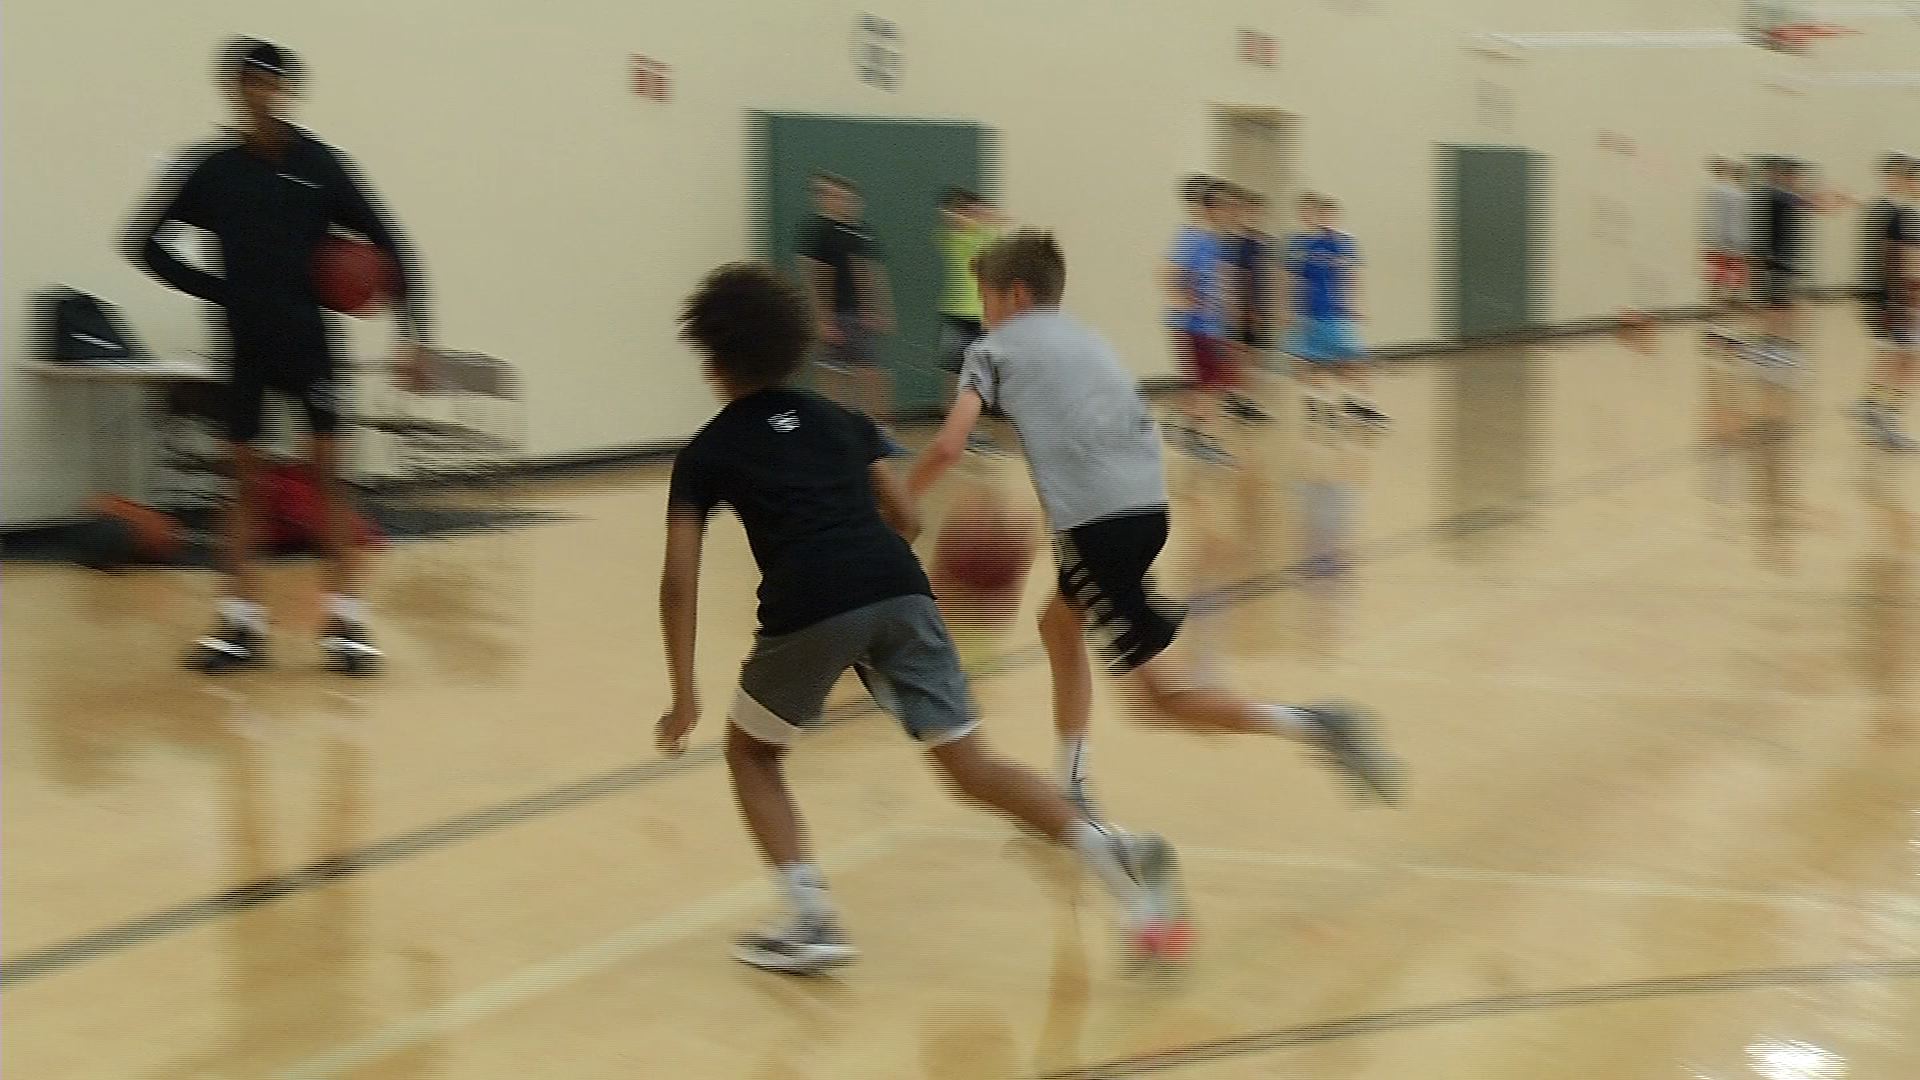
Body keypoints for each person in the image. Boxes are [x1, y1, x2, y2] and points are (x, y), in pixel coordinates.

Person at [655, 262, 1191, 975]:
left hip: (809, 603)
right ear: (796, 348)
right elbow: (906, 516)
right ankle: (1109, 851)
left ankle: (810, 919)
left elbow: (679, 578)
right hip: (899, 587)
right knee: (970, 763)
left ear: (713, 362)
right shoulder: (843, 421)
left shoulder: (707, 451)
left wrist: (683, 692)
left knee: (752, 753)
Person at [909, 230, 1402, 822]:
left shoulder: (991, 351)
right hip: (1147, 509)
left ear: (1015, 295)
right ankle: (1072, 779)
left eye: (986, 297)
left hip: (1095, 526)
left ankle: (1310, 723)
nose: (984, 312)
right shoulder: (1089, 340)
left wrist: (900, 504)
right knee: (1059, 624)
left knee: (1161, 696)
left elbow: (948, 446)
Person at [125, 38, 432, 675]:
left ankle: (345, 623)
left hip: (310, 345)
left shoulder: (321, 165)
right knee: (244, 486)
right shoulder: (213, 169)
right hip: (244, 346)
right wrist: (216, 290)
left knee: (327, 481)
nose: (263, 91)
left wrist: (417, 333)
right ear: (234, 88)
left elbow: (390, 243)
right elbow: (144, 244)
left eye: (274, 81)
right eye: (252, 80)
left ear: (287, 90)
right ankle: (241, 627)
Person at [799, 173, 896, 431]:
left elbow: (872, 273)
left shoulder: (863, 232)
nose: (835, 200)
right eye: (826, 194)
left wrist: (880, 309)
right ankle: (832, 432)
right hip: (836, 315)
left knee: (871, 372)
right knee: (831, 373)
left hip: (860, 315)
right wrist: (822, 319)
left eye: (841, 196)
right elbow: (813, 276)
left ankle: (878, 431)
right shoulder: (817, 231)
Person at [1285, 194, 1387, 432]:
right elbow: (1290, 279)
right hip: (1310, 313)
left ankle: (1360, 405)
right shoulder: (1299, 244)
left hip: (1338, 313)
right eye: (1308, 212)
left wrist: (1359, 304)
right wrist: (1289, 310)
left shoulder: (1342, 242)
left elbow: (1354, 275)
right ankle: (1320, 405)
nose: (1318, 218)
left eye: (1327, 214)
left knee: (1354, 361)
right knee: (1313, 362)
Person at [1163, 176, 1237, 463]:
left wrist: (1223, 310)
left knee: (1205, 384)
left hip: (1209, 325)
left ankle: (1182, 425)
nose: (1227, 212)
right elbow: (1168, 273)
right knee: (1208, 386)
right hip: (1195, 326)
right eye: (1221, 206)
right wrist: (1186, 303)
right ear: (1209, 208)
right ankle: (1202, 439)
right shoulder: (1193, 238)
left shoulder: (1210, 240)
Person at [1853, 153, 1919, 450]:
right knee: (1905, 363)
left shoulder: (1893, 212)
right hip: (1900, 300)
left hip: (1894, 299)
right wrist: (1904, 305)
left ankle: (1872, 410)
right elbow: (1901, 262)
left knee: (1893, 359)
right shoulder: (1902, 215)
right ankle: (1886, 422)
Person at [937, 188, 1002, 454]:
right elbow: (951, 221)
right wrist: (971, 216)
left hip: (981, 317)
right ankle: (951, 430)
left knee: (976, 376)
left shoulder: (989, 237)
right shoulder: (951, 237)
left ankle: (970, 431)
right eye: (964, 209)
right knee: (952, 373)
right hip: (955, 314)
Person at [1220, 186, 1275, 424]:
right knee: (1239, 356)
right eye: (1249, 211)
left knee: (1256, 357)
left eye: (1259, 212)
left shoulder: (1263, 242)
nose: (1254, 216)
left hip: (1260, 307)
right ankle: (1238, 402)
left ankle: (1247, 401)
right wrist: (1238, 308)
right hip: (1241, 308)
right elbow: (1231, 277)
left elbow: (1270, 277)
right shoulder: (1232, 243)